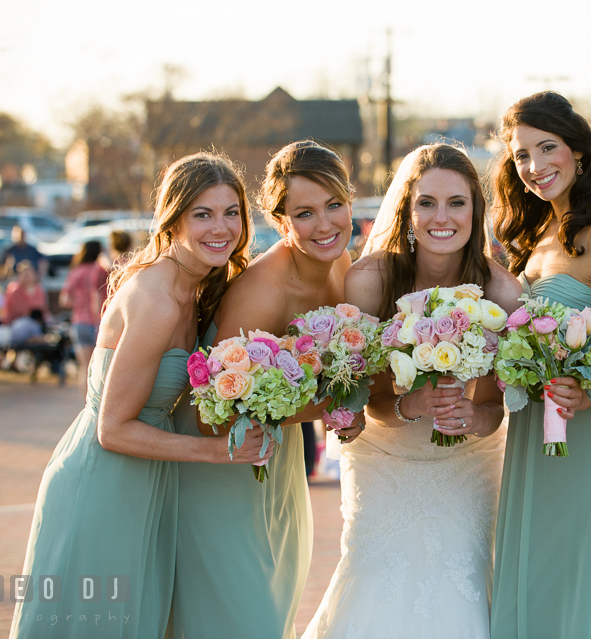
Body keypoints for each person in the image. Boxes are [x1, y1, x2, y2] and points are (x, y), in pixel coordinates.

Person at [9, 152, 271, 639]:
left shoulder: (197, 287)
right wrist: (218, 450)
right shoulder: (155, 298)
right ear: (172, 221)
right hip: (104, 483)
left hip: (150, 480)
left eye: (231, 212)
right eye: (203, 214)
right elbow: (112, 429)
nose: (222, 227)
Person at [302, 144, 522, 639]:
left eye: (457, 203)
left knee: (459, 591)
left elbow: (494, 408)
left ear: (476, 210)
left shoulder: (502, 293)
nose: (441, 217)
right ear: (407, 210)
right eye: (427, 203)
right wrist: (411, 403)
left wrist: (472, 417)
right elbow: (363, 397)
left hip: (468, 466)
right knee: (375, 582)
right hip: (385, 459)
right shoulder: (370, 282)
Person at [169, 141, 364, 639]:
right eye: (304, 213)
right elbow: (215, 413)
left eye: (334, 205)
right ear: (281, 222)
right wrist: (333, 406)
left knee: (275, 607)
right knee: (240, 614)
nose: (324, 225)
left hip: (277, 461)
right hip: (228, 468)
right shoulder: (263, 289)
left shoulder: (342, 264)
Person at [489, 92, 591, 639]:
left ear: (579, 152)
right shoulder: (534, 235)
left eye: (547, 148)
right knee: (543, 582)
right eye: (521, 156)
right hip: (536, 433)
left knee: (588, 589)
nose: (535, 167)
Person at [60, 240, 109, 392]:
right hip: (99, 322)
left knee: (84, 368)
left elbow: (65, 300)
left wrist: (79, 303)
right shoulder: (101, 269)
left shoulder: (76, 272)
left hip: (79, 322)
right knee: (101, 369)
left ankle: (86, 407)